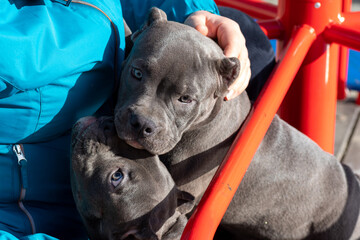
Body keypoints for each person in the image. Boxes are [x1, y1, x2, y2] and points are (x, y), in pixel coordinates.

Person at [0, 0, 251, 239]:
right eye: (138, 74)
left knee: (253, 39)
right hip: (37, 217)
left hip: (110, 148)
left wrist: (197, 20)